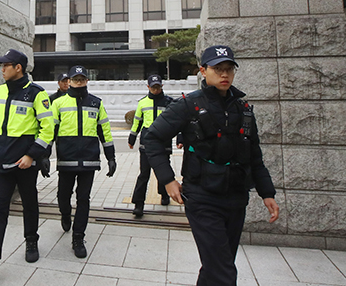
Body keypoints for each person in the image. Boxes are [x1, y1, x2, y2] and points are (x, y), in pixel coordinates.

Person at [143, 45, 279, 286]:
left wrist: (267, 192)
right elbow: (152, 138)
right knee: (224, 272)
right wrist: (167, 179)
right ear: (203, 71)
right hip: (202, 197)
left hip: (236, 198)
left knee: (216, 265)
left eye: (229, 69)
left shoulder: (243, 109)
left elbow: (254, 155)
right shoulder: (189, 105)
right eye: (218, 69)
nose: (224, 74)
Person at [0, 49, 55, 282]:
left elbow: (48, 129)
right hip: (0, 161)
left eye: (5, 65)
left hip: (25, 163)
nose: (2, 69)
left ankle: (31, 241)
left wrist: (32, 155)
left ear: (18, 67)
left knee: (29, 202)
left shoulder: (36, 94)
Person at [51, 65, 116, 258]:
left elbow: (105, 131)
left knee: (83, 198)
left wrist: (110, 156)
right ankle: (64, 214)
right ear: (68, 81)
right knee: (64, 195)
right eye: (75, 79)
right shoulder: (58, 103)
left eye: (82, 79)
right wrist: (43, 156)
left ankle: (78, 237)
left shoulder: (96, 103)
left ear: (87, 81)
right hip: (66, 159)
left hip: (89, 159)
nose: (79, 82)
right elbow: (49, 131)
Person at [128, 74, 172, 216]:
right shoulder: (142, 103)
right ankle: (138, 203)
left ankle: (164, 194)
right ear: (148, 87)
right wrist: (132, 138)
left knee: (163, 172)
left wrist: (181, 138)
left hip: (163, 140)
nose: (156, 89)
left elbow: (175, 121)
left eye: (158, 87)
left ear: (162, 86)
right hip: (147, 142)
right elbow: (137, 122)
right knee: (144, 174)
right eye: (153, 87)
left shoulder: (169, 102)